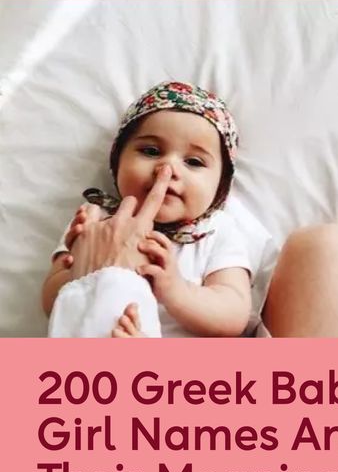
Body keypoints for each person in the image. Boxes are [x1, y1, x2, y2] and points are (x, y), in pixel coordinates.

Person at [43, 82, 277, 338]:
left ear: (220, 187)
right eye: (151, 151)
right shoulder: (95, 219)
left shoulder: (215, 231)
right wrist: (79, 271)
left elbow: (233, 315)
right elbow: (49, 301)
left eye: (194, 162)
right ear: (117, 162)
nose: (168, 168)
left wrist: (177, 290)